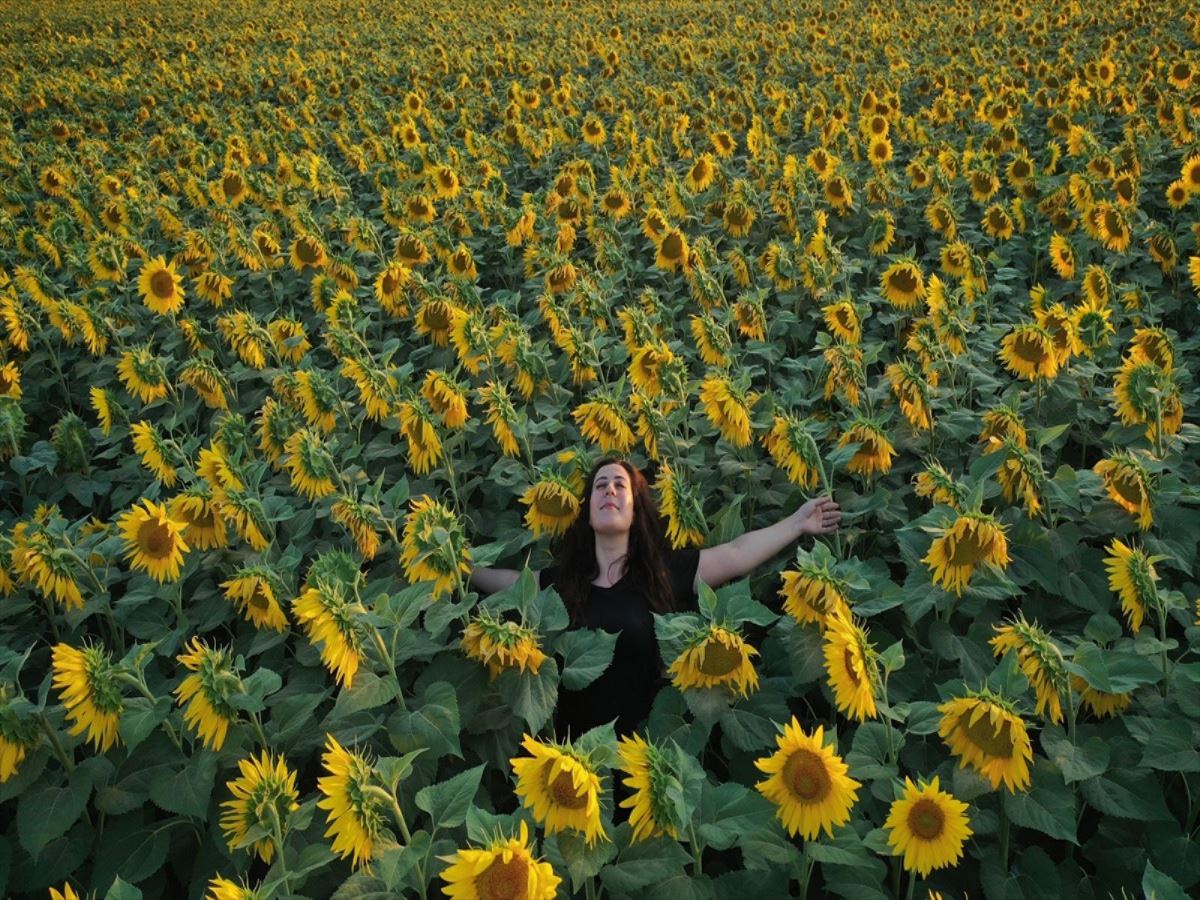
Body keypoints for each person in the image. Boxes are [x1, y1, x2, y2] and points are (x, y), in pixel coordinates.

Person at [469, 457, 841, 738]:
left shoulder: (661, 573)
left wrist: (797, 522)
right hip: (575, 757)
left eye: (620, 485)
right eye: (600, 485)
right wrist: (460, 566)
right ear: (586, 509)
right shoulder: (563, 583)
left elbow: (736, 554)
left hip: (645, 756)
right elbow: (511, 583)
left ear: (635, 507)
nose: (610, 490)